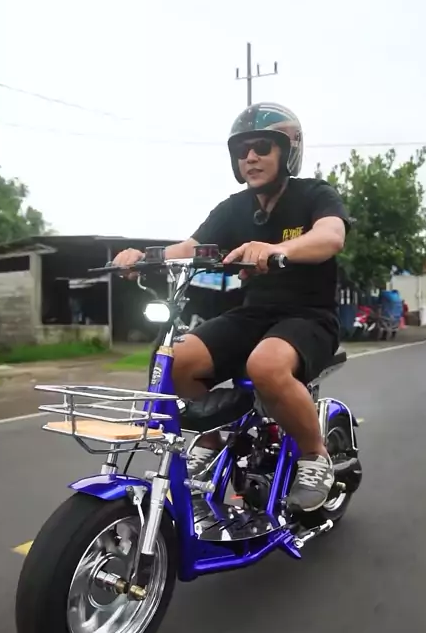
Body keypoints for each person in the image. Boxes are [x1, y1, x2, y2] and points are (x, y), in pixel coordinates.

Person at [113, 102, 351, 512]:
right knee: (174, 361)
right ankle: (210, 441)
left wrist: (277, 249)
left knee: (265, 366)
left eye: (262, 147)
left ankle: (315, 456)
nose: (251, 157)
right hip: (253, 315)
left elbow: (331, 236)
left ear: (288, 150)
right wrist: (143, 257)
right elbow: (189, 248)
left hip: (309, 316)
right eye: (242, 150)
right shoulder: (234, 208)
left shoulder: (314, 194)